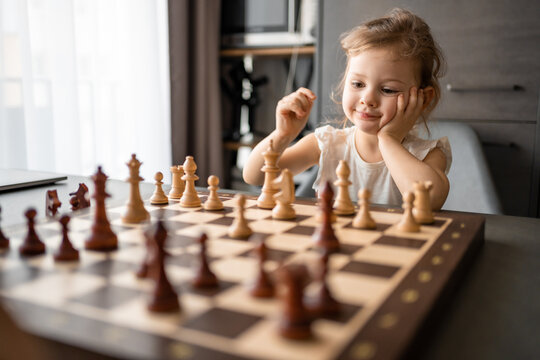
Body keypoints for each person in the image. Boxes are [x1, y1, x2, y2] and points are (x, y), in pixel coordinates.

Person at [243, 8, 451, 210]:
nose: (367, 99)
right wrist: (283, 134)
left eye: (387, 89)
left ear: (422, 98)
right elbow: (255, 176)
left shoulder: (428, 154)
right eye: (358, 84)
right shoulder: (327, 144)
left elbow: (430, 200)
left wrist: (388, 140)